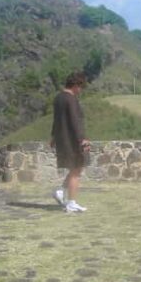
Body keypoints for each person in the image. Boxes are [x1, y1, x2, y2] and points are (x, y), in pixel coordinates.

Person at [50, 71, 90, 213]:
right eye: (81, 87)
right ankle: (71, 203)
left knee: (75, 169)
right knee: (76, 171)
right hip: (72, 139)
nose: (81, 90)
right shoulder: (71, 99)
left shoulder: (58, 98)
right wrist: (82, 140)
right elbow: (75, 121)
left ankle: (60, 191)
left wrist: (53, 137)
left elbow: (56, 120)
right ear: (75, 85)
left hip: (62, 138)